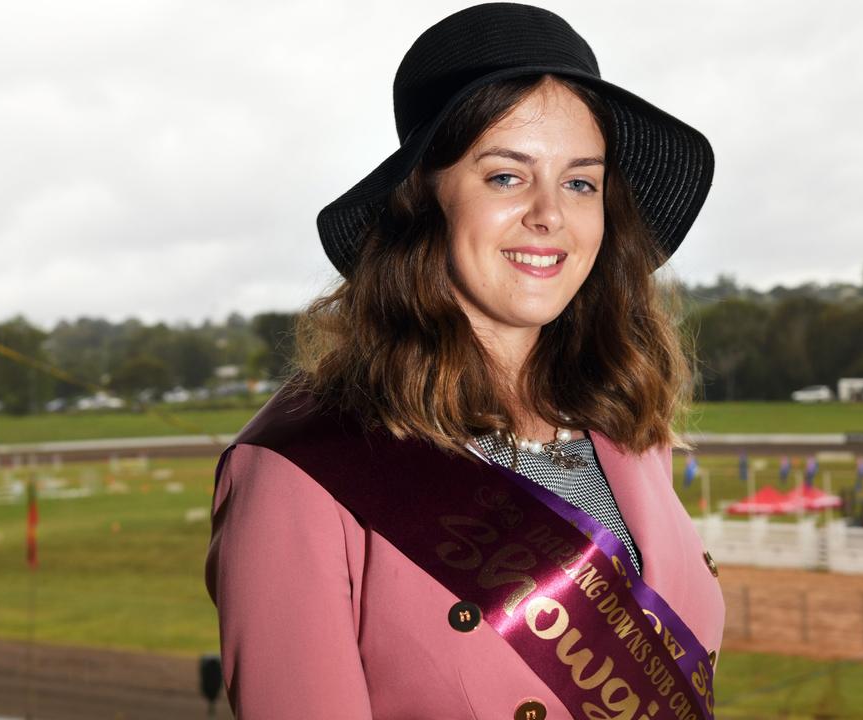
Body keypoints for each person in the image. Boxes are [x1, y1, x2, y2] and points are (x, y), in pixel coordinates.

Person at [204, 3, 724, 719]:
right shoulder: (304, 469)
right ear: (422, 197)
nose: (550, 215)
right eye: (506, 177)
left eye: (580, 182)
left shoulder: (629, 429)